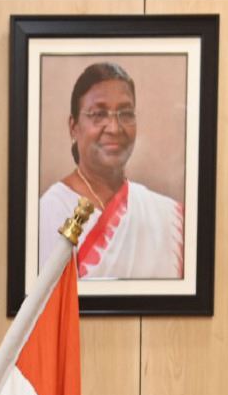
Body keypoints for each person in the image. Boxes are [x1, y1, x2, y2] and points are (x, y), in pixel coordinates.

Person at [38, 62, 184, 280]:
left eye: (126, 114)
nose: (115, 128)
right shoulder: (50, 211)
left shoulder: (167, 217)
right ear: (74, 127)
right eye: (98, 114)